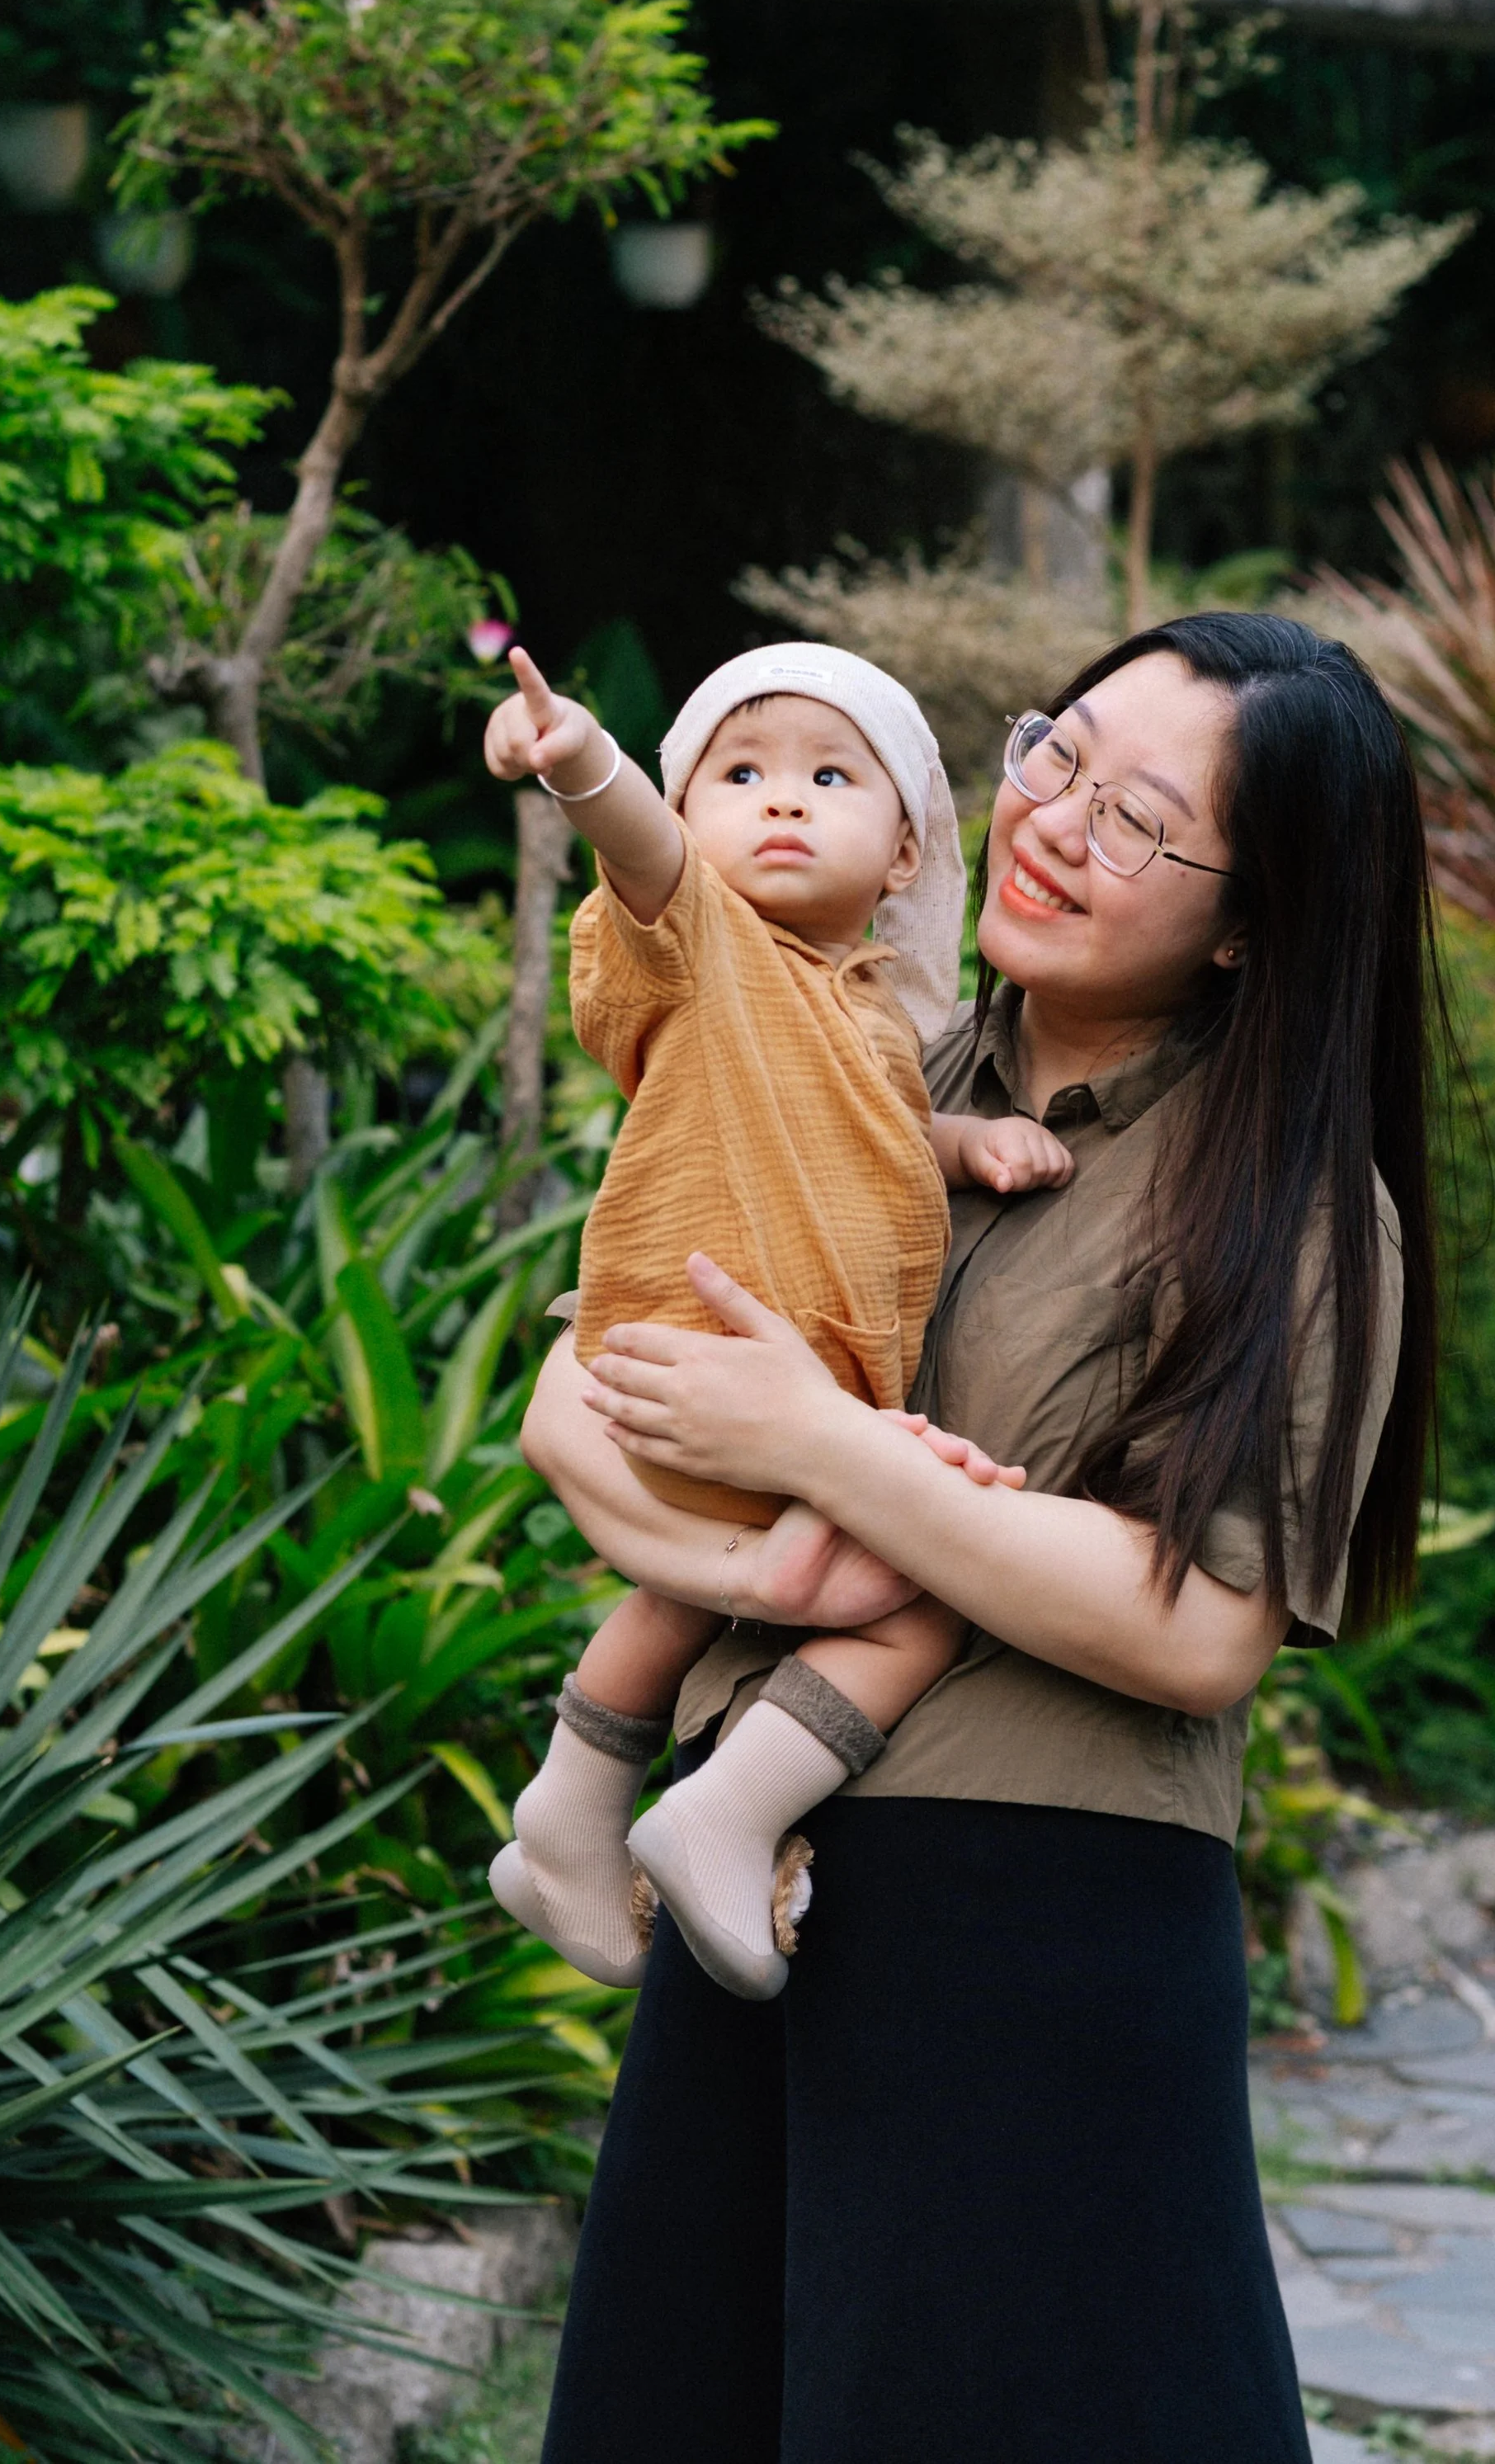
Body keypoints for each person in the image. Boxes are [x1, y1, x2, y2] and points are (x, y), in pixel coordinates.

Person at [518, 611, 1443, 2464]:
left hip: (1045, 1932)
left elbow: (1196, 1633)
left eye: (1139, 823)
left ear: (1252, 917)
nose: (1052, 821)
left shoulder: (1290, 1212)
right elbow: (574, 1407)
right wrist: (760, 1570)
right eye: (1054, 755)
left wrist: (828, 1460)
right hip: (748, 1889)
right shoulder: (839, 1057)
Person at [483, 640, 1073, 2000]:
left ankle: (572, 1812)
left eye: (826, 773)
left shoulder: (863, 1008)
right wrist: (586, 765)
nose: (783, 801)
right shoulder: (703, 944)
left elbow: (863, 1124)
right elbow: (642, 853)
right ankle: (723, 1813)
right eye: (737, 775)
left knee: (683, 1592)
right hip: (707, 1365)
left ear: (909, 852)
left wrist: (964, 1141)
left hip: (776, 1389)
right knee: (922, 1591)